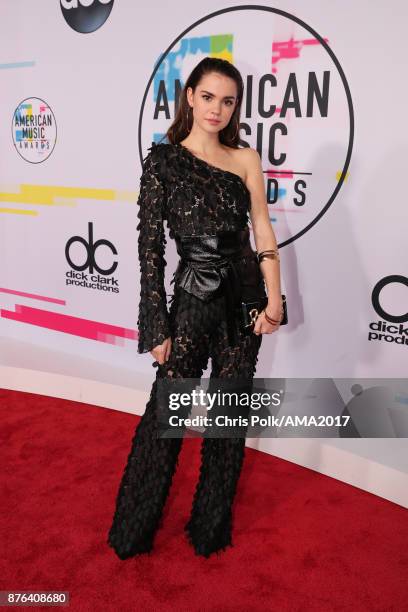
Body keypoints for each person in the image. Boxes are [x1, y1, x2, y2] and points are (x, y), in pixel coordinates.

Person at [107, 57, 284, 559]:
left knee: (228, 420)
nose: (217, 109)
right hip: (192, 300)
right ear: (190, 97)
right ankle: (134, 530)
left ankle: (209, 530)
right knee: (167, 415)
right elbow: (149, 249)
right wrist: (154, 321)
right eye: (208, 97)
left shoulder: (246, 158)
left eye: (228, 101)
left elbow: (263, 232)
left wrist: (275, 296)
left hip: (244, 302)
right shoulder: (163, 161)